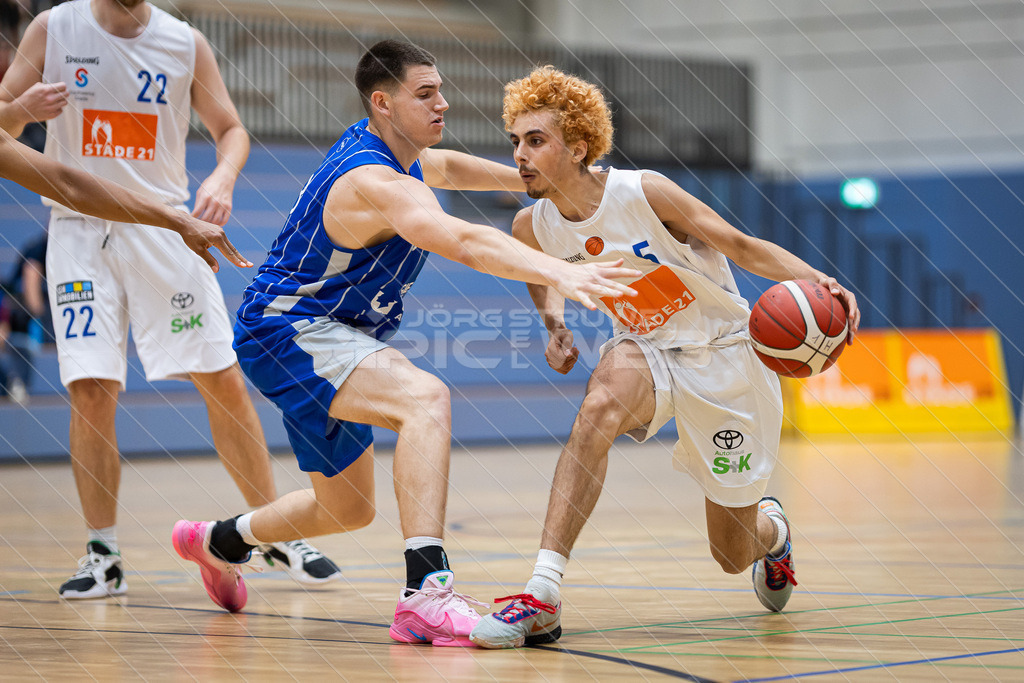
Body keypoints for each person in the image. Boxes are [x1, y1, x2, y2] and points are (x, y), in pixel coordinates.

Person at [171, 40, 640, 647]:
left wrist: (547, 178)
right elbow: (463, 240)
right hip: (290, 330)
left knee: (346, 507)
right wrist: (558, 271)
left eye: (440, 90)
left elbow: (453, 168)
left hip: (326, 334)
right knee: (425, 399)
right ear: (383, 103)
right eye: (425, 94)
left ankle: (215, 541)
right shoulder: (374, 180)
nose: (442, 103)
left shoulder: (402, 155)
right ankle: (425, 595)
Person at [469, 66, 861, 649]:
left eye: (536, 140)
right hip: (646, 348)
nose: (519, 156)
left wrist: (819, 279)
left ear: (578, 147)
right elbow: (539, 272)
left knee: (731, 553)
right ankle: (542, 594)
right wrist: (555, 325)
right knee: (596, 410)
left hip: (726, 356)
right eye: (516, 141)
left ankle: (772, 534)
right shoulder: (533, 224)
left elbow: (740, 246)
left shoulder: (644, 193)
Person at [0, 0, 340, 599]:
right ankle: (103, 553)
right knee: (91, 388)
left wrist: (223, 176)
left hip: (167, 227)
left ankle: (274, 530)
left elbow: (231, 128)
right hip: (79, 232)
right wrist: (21, 110)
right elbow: (1, 124)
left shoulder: (184, 42)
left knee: (222, 378)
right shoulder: (54, 28)